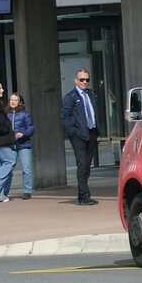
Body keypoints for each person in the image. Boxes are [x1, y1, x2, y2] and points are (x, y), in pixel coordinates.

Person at [61, 68, 99, 205]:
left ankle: (82, 195)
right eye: (82, 79)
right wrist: (73, 131)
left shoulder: (90, 94)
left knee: (87, 165)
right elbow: (65, 116)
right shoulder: (71, 97)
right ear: (76, 80)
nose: (85, 82)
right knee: (82, 164)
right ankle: (84, 195)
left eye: (87, 79)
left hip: (91, 132)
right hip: (79, 135)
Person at [6, 92, 35, 200]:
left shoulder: (24, 114)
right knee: (8, 169)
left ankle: (27, 191)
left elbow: (30, 128)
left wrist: (23, 134)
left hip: (24, 145)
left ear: (20, 102)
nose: (13, 102)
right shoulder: (6, 114)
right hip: (11, 145)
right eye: (11, 100)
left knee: (26, 169)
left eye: (15, 100)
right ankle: (4, 191)